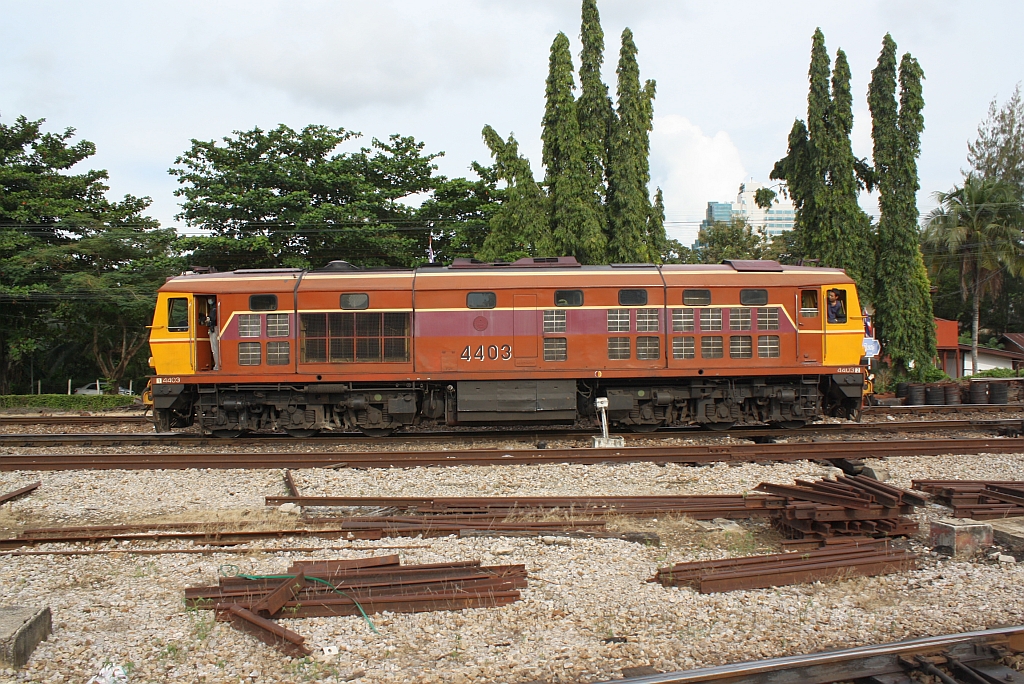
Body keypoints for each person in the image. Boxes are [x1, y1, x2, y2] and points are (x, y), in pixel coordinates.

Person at [202, 298, 221, 371]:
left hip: (214, 329)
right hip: (216, 328)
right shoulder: (215, 308)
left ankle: (217, 366)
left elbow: (212, 320)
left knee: (215, 349)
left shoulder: (214, 309)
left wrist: (207, 320)